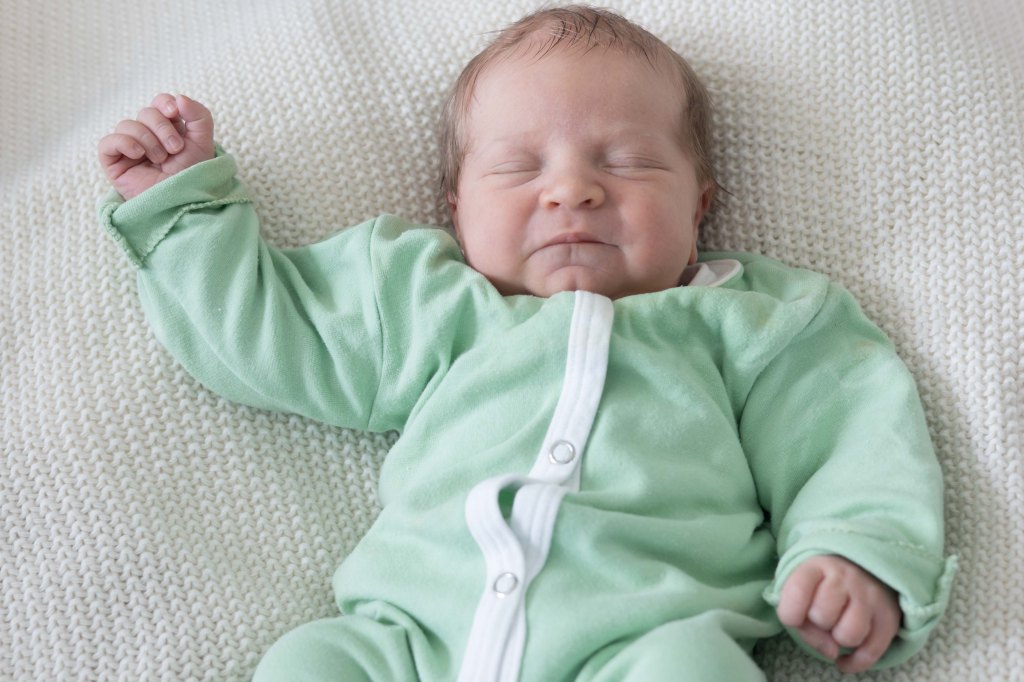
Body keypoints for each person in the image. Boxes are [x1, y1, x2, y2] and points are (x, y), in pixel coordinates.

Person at [97, 5, 955, 681]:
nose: (572, 191)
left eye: (627, 161)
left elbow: (850, 434)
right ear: (456, 208)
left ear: (700, 205)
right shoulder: (427, 302)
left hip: (639, 639)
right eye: (518, 168)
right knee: (310, 662)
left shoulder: (756, 322)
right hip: (412, 643)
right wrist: (186, 208)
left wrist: (851, 552)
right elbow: (269, 334)